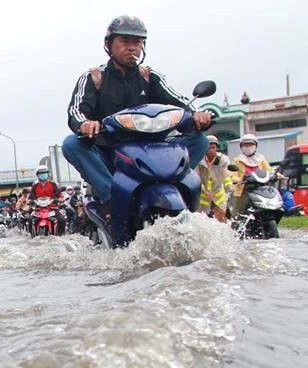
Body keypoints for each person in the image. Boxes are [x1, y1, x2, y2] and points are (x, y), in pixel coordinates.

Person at [62, 15, 213, 225]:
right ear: (109, 44)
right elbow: (76, 112)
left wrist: (199, 114)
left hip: (153, 151)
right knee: (71, 144)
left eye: (137, 42)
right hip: (109, 152)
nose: (132, 47)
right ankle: (111, 198)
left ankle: (176, 188)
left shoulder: (149, 76)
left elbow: (182, 102)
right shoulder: (94, 77)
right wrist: (85, 124)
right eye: (125, 41)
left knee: (200, 140)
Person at [229, 133, 273, 219]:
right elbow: (233, 176)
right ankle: (235, 230)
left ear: (256, 146)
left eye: (250, 144)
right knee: (236, 215)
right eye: (245, 145)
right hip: (244, 190)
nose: (248, 147)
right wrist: (238, 180)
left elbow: (269, 170)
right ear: (241, 146)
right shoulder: (237, 160)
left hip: (260, 189)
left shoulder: (261, 159)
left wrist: (277, 174)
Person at [196, 135, 232, 222]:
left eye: (213, 147)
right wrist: (206, 192)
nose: (211, 150)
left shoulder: (223, 160)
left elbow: (226, 175)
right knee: (201, 220)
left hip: (218, 194)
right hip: (203, 195)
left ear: (217, 148)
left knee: (221, 220)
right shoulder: (199, 160)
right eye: (208, 147)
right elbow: (196, 178)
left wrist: (229, 187)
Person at [25, 165, 67, 234]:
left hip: (52, 207)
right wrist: (30, 202)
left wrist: (59, 199)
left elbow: (60, 196)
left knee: (62, 219)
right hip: (38, 208)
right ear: (37, 175)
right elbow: (30, 197)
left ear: (48, 174)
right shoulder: (35, 186)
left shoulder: (53, 184)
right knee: (30, 219)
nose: (43, 175)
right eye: (41, 173)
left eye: (45, 173)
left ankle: (62, 235)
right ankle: (31, 236)